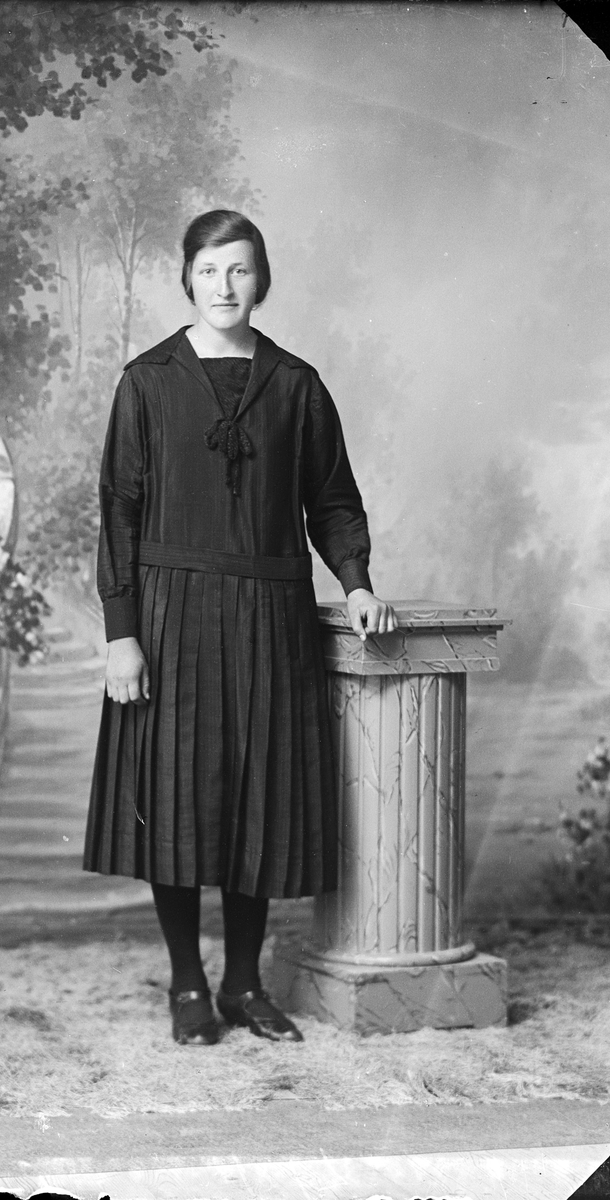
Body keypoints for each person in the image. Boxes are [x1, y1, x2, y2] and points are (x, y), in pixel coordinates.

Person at [84, 210, 396, 1046]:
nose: (224, 286)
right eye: (210, 270)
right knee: (177, 800)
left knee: (258, 798)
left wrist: (357, 585)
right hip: (170, 615)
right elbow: (118, 511)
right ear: (188, 278)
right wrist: (122, 632)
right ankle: (188, 984)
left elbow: (333, 501)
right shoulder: (147, 382)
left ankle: (245, 984)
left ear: (262, 280)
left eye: (240, 270)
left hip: (270, 617)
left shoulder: (297, 385)